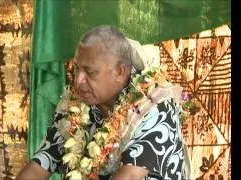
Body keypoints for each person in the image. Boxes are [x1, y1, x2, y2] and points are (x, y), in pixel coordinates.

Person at [16, 25, 190, 180]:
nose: (78, 81)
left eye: (90, 72)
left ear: (119, 72)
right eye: (77, 69)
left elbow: (130, 175)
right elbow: (39, 166)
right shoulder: (76, 105)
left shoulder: (155, 105)